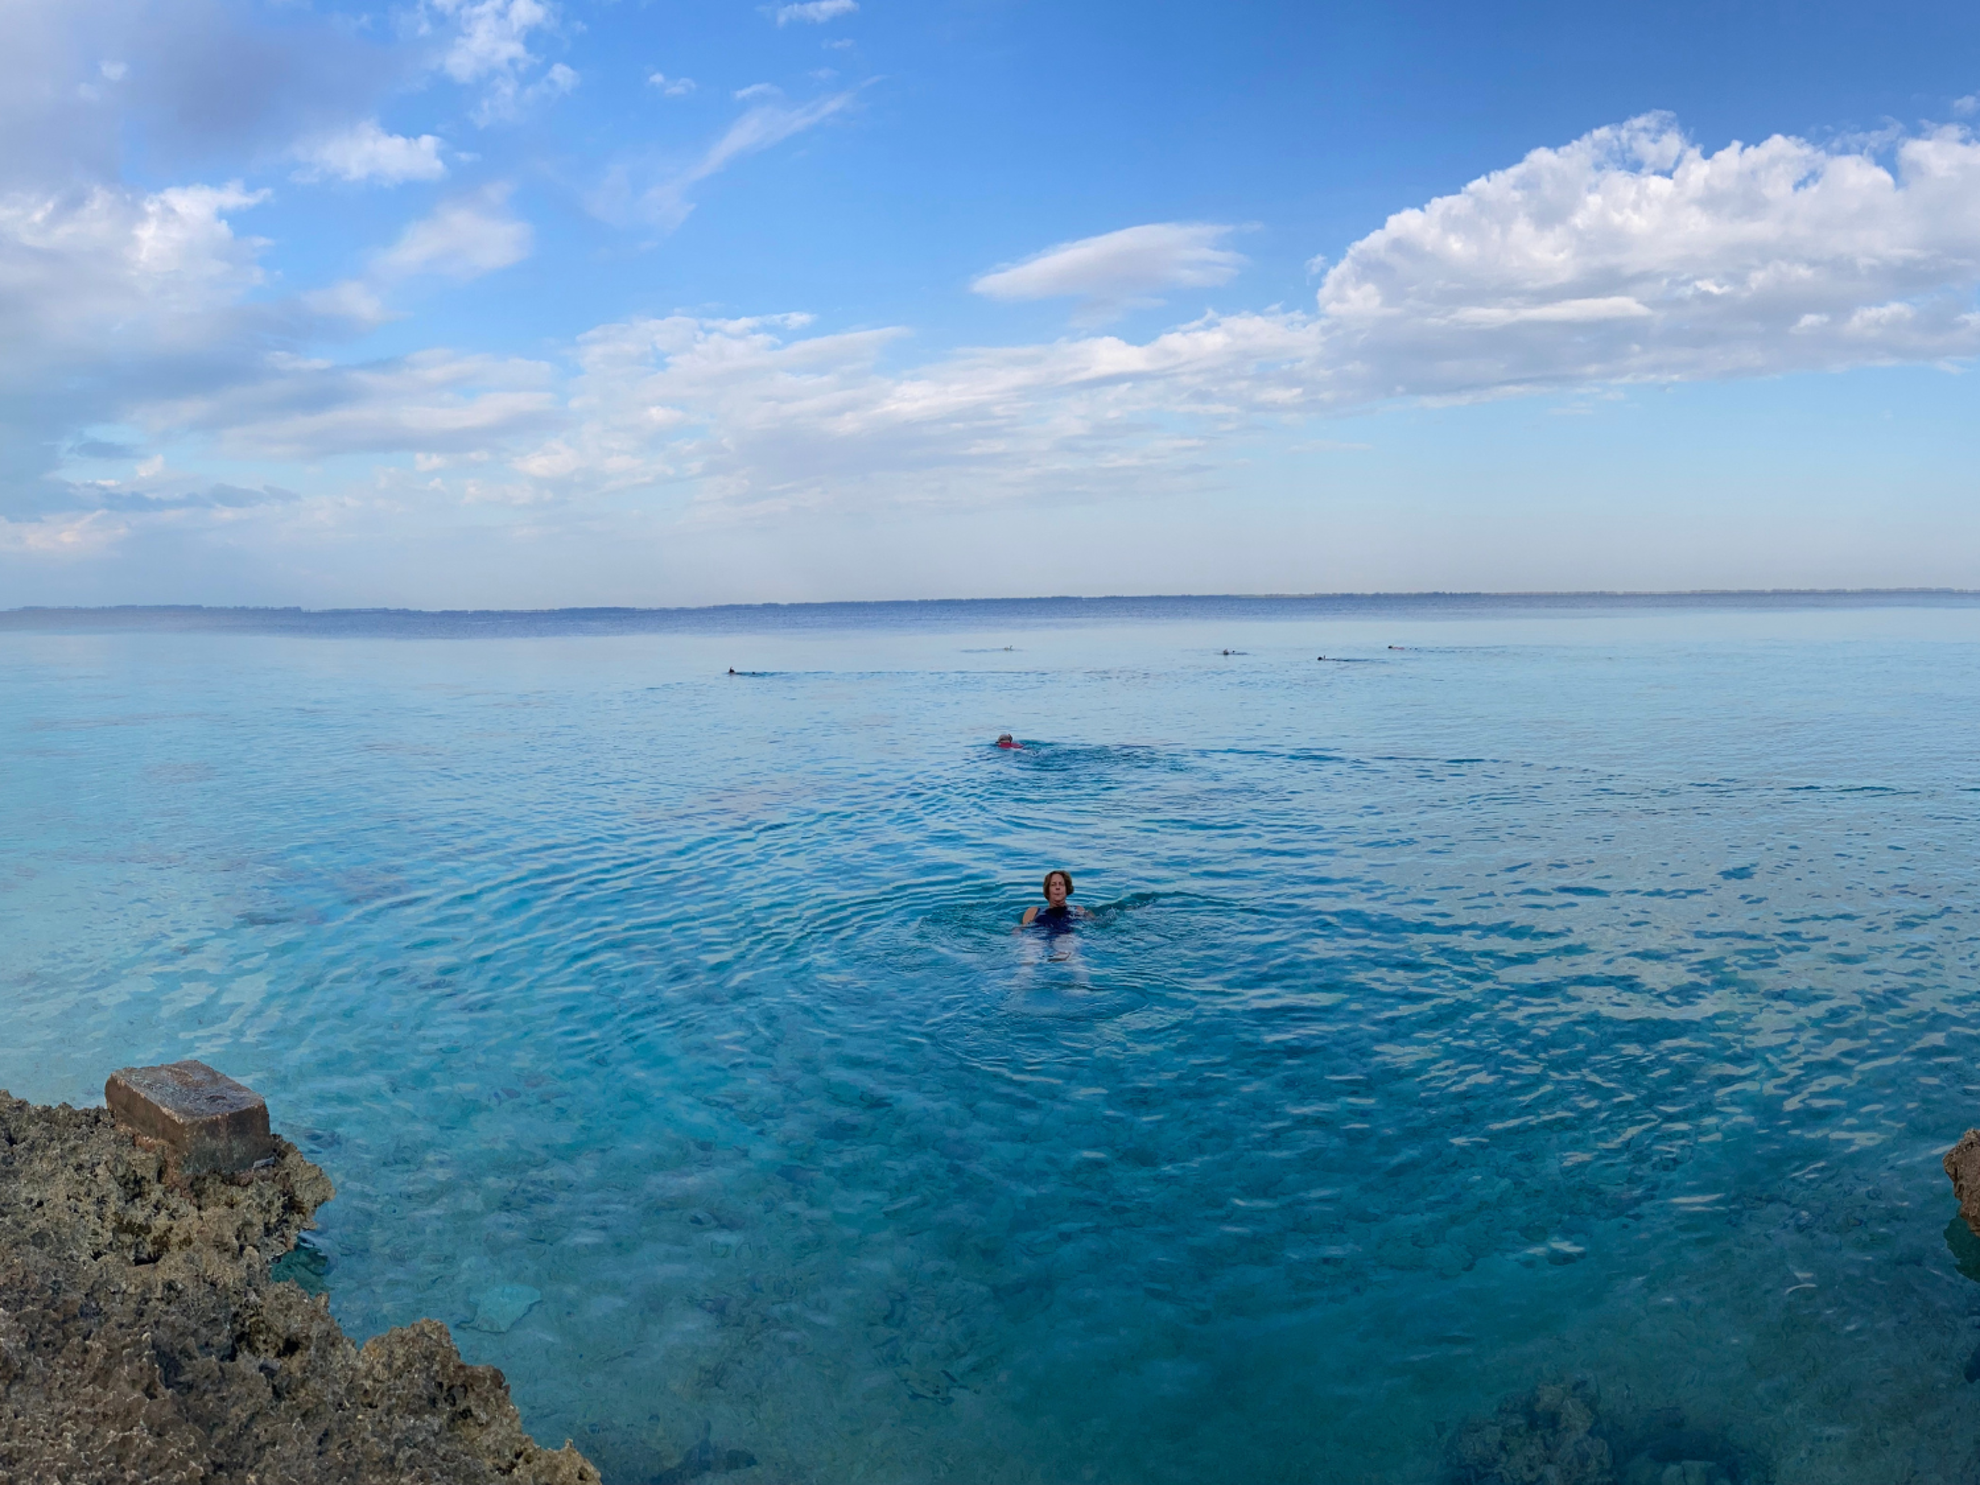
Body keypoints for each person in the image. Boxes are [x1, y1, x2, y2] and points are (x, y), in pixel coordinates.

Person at [1020, 869, 1087, 929]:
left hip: (1066, 938)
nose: (1057, 887)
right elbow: (1019, 930)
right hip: (1038, 937)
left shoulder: (1078, 910)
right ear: (1047, 890)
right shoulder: (1033, 912)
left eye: (1061, 884)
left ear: (1067, 889)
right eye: (1053, 884)